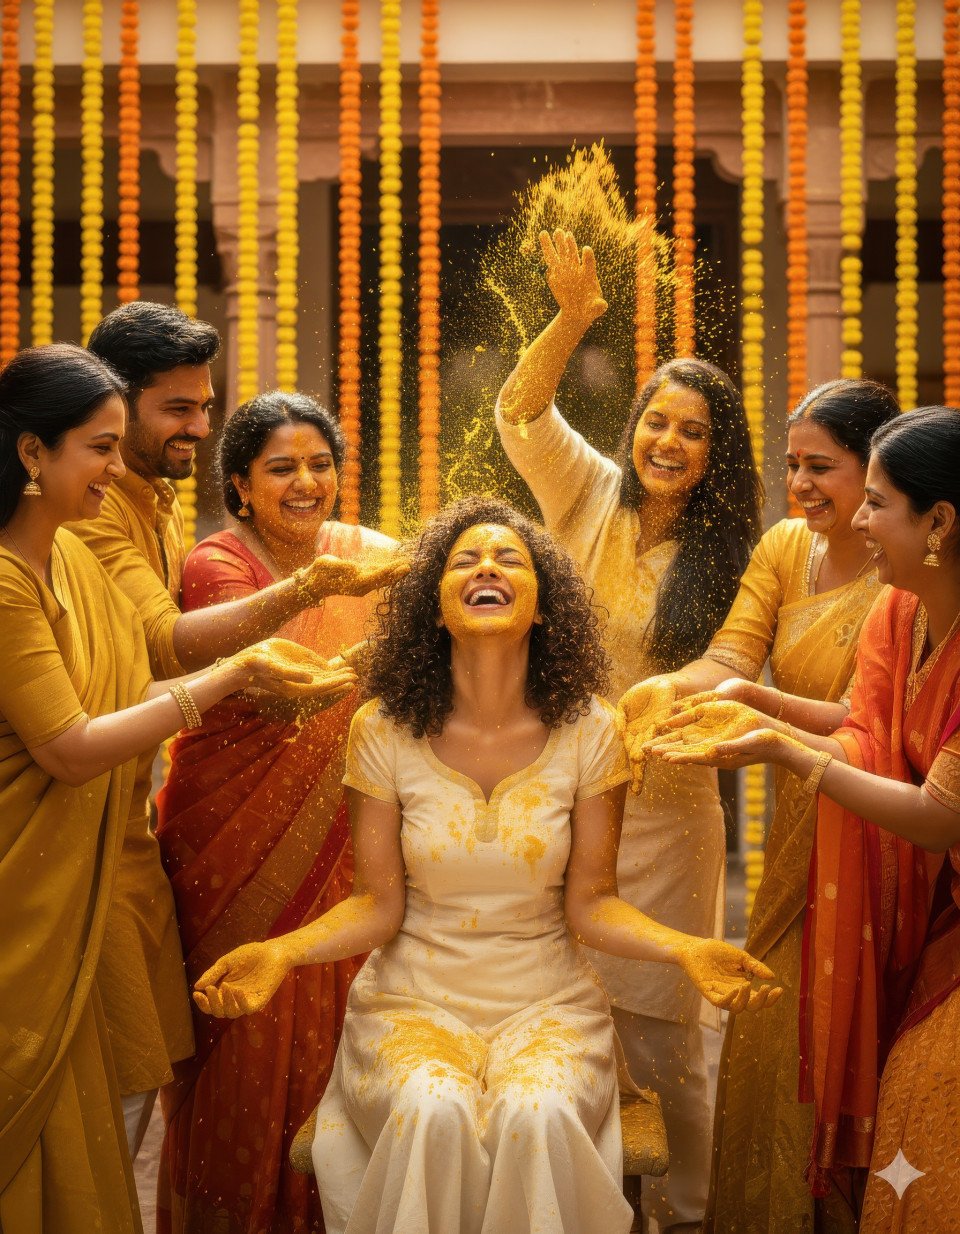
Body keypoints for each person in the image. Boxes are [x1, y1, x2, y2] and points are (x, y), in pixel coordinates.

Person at [192, 496, 781, 1234]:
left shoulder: (592, 730)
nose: (487, 567)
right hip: (411, 1006)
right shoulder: (382, 729)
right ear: (435, 610)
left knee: (537, 1116)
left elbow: (591, 905)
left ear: (543, 607)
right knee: (429, 1112)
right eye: (464, 560)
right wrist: (279, 954)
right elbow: (377, 906)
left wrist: (690, 949)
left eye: (510, 558)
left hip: (549, 1009)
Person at [0, 344, 358, 1234]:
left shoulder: (75, 558)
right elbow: (73, 746)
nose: (116, 469)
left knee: (116, 1100)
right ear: (31, 454)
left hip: (111, 861)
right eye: (100, 448)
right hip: (33, 885)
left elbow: (136, 682)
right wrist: (234, 677)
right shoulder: (13, 581)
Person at [69, 301, 403, 1154]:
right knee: (150, 1053)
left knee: (146, 1052)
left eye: (204, 408)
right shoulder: (142, 523)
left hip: (134, 809)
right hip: (112, 808)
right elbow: (169, 645)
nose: (196, 425)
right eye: (177, 410)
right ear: (242, 489)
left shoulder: (155, 501)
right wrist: (309, 591)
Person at [495, 229, 763, 1230]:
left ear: (715, 450)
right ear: (635, 424)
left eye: (693, 431)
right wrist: (571, 322)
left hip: (664, 811)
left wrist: (652, 707)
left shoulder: (738, 551)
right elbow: (521, 411)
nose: (667, 442)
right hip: (553, 800)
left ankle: (686, 1213)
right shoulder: (586, 492)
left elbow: (731, 671)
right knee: (564, 1026)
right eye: (658, 419)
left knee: (662, 1041)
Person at [641, 407, 960, 1232]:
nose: (851, 516)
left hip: (926, 886)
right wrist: (749, 700)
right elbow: (861, 725)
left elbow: (936, 815)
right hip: (875, 877)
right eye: (793, 466)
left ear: (939, 522)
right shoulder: (901, 609)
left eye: (873, 498)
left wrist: (783, 752)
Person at [155, 391, 398, 1234]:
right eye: (282, 469)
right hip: (230, 840)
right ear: (241, 484)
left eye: (320, 465)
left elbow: (426, 583)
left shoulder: (360, 554)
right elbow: (283, 693)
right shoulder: (217, 566)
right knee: (240, 1036)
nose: (306, 484)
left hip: (338, 837)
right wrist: (348, 613)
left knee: (337, 1023)